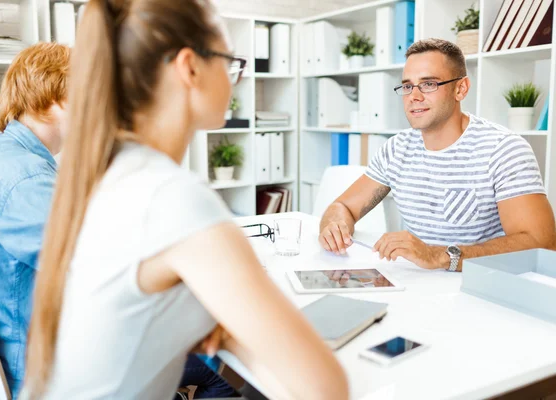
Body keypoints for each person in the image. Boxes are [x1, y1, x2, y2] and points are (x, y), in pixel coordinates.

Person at [22, 0, 349, 399]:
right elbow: (327, 387)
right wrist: (229, 329)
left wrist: (219, 326)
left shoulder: (106, 174)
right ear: (190, 67)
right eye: (230, 61)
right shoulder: (170, 197)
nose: (236, 79)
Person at [319, 38, 555, 272]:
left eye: (429, 84)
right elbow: (343, 207)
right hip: (420, 288)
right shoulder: (396, 149)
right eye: (408, 86)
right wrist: (335, 226)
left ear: (460, 88)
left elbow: (542, 243)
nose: (414, 96)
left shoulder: (504, 149)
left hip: (483, 290)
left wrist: (440, 256)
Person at [0, 42, 69, 397]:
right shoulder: (27, 179)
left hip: (21, 350)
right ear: (52, 99)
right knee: (206, 366)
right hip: (48, 373)